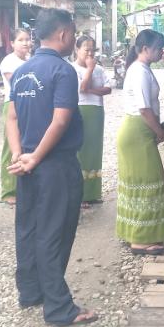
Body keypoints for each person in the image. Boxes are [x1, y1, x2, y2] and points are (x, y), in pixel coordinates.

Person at [5, 9, 97, 327]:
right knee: (54, 232)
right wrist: (36, 157)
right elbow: (60, 121)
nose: (73, 38)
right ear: (62, 34)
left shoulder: (22, 71)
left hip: (27, 164)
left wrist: (20, 154)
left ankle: (30, 291)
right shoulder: (63, 70)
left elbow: (12, 117)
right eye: (73, 32)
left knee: (28, 229)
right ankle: (58, 307)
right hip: (54, 164)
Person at [116, 29, 164, 255]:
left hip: (139, 131)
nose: (161, 52)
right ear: (145, 49)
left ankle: (134, 232)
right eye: (158, 48)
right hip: (138, 132)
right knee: (147, 182)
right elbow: (144, 108)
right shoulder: (138, 71)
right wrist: (159, 132)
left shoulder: (141, 69)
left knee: (139, 182)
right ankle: (140, 239)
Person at [72, 35, 111, 207]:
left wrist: (91, 89)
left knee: (95, 149)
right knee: (82, 151)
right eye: (86, 49)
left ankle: (93, 192)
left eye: (92, 50)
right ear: (77, 49)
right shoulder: (72, 69)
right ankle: (80, 195)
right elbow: (81, 88)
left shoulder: (99, 69)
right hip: (81, 110)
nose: (90, 53)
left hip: (97, 110)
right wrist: (89, 70)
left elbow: (108, 89)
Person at [0, 28, 31, 205]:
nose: (25, 43)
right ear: (12, 43)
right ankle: (8, 190)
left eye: (27, 39)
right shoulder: (8, 61)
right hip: (13, 105)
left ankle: (23, 187)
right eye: (21, 40)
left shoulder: (31, 59)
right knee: (11, 146)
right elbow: (18, 83)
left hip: (29, 104)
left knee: (26, 144)